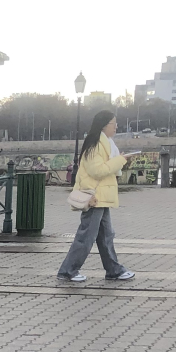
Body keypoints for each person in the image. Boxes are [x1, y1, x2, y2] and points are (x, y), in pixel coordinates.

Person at [57, 109, 139, 284]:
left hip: (101, 197)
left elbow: (107, 168)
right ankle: (68, 271)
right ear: (103, 125)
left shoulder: (106, 143)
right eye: (113, 124)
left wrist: (121, 160)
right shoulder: (95, 145)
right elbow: (98, 170)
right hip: (94, 197)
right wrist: (120, 160)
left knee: (106, 236)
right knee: (86, 236)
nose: (116, 127)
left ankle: (114, 270)